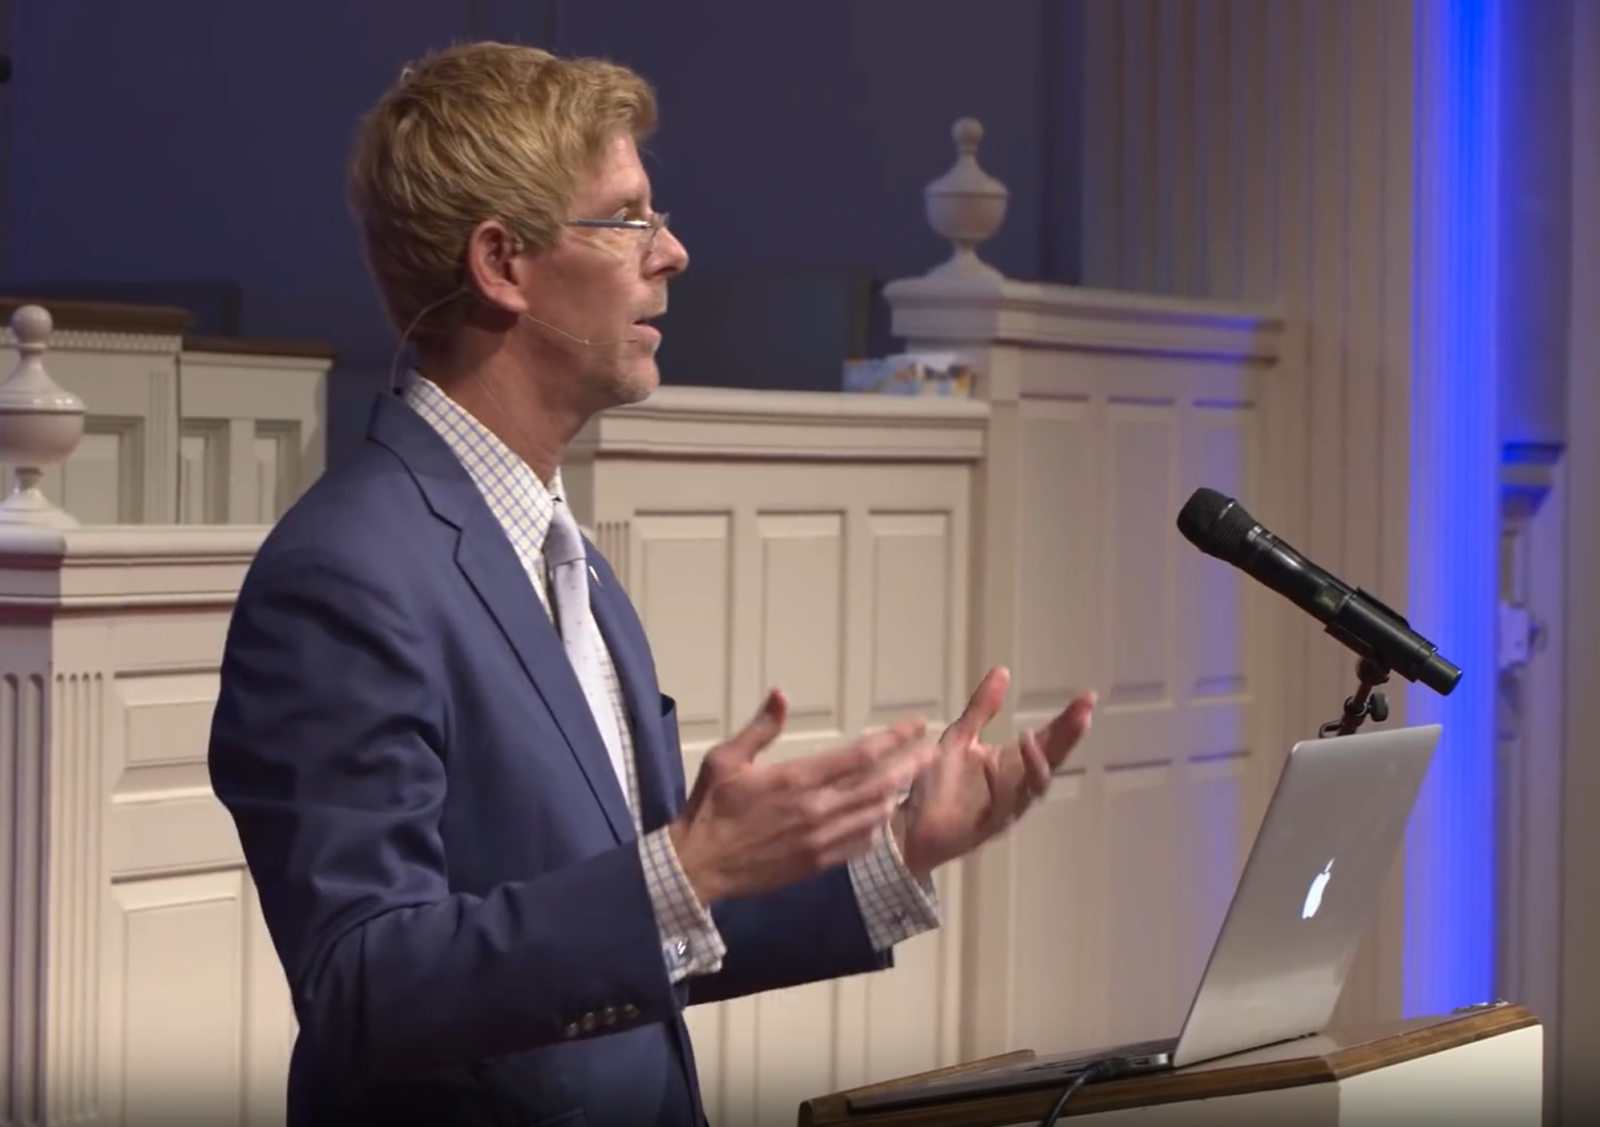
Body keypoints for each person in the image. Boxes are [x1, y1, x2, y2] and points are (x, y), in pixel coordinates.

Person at [207, 41, 1097, 1127]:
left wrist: (894, 849)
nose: (671, 250)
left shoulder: (566, 558)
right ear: (503, 264)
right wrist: (680, 866)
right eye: (627, 218)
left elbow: (633, 930)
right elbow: (362, 985)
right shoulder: (343, 576)